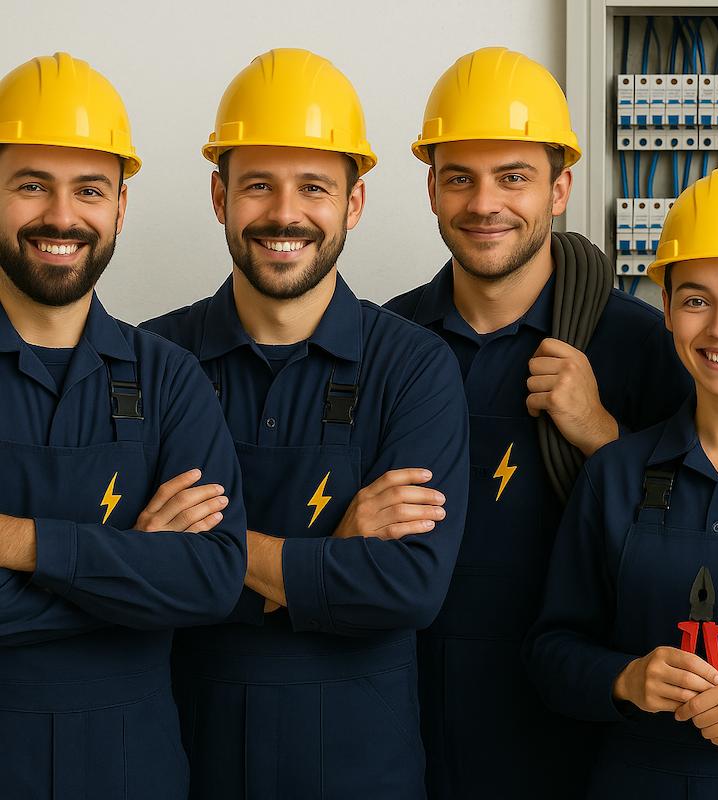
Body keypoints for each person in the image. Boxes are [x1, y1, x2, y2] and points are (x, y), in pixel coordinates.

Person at [142, 48, 469, 800]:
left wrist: (207, 553)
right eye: (258, 185)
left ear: (353, 205)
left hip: (363, 766)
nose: (285, 214)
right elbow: (127, 572)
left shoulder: (414, 367)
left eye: (314, 188)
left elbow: (409, 588)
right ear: (220, 197)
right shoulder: (153, 358)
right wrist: (329, 558)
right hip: (189, 756)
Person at [385, 47, 693, 798]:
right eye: (460, 177)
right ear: (430, 189)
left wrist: (601, 434)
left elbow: (704, 545)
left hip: (576, 735)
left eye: (514, 177)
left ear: (560, 189)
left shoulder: (641, 346)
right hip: (408, 723)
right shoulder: (384, 343)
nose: (484, 202)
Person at [0, 52, 246, 798]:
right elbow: (173, 578)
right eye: (30, 185)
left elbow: (210, 579)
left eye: (89, 190)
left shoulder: (169, 377)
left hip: (133, 769)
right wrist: (133, 566)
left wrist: (22, 541)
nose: (62, 217)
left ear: (121, 206)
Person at [528, 166, 718, 797]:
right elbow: (550, 653)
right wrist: (625, 680)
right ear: (670, 313)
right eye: (696, 299)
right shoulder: (617, 475)